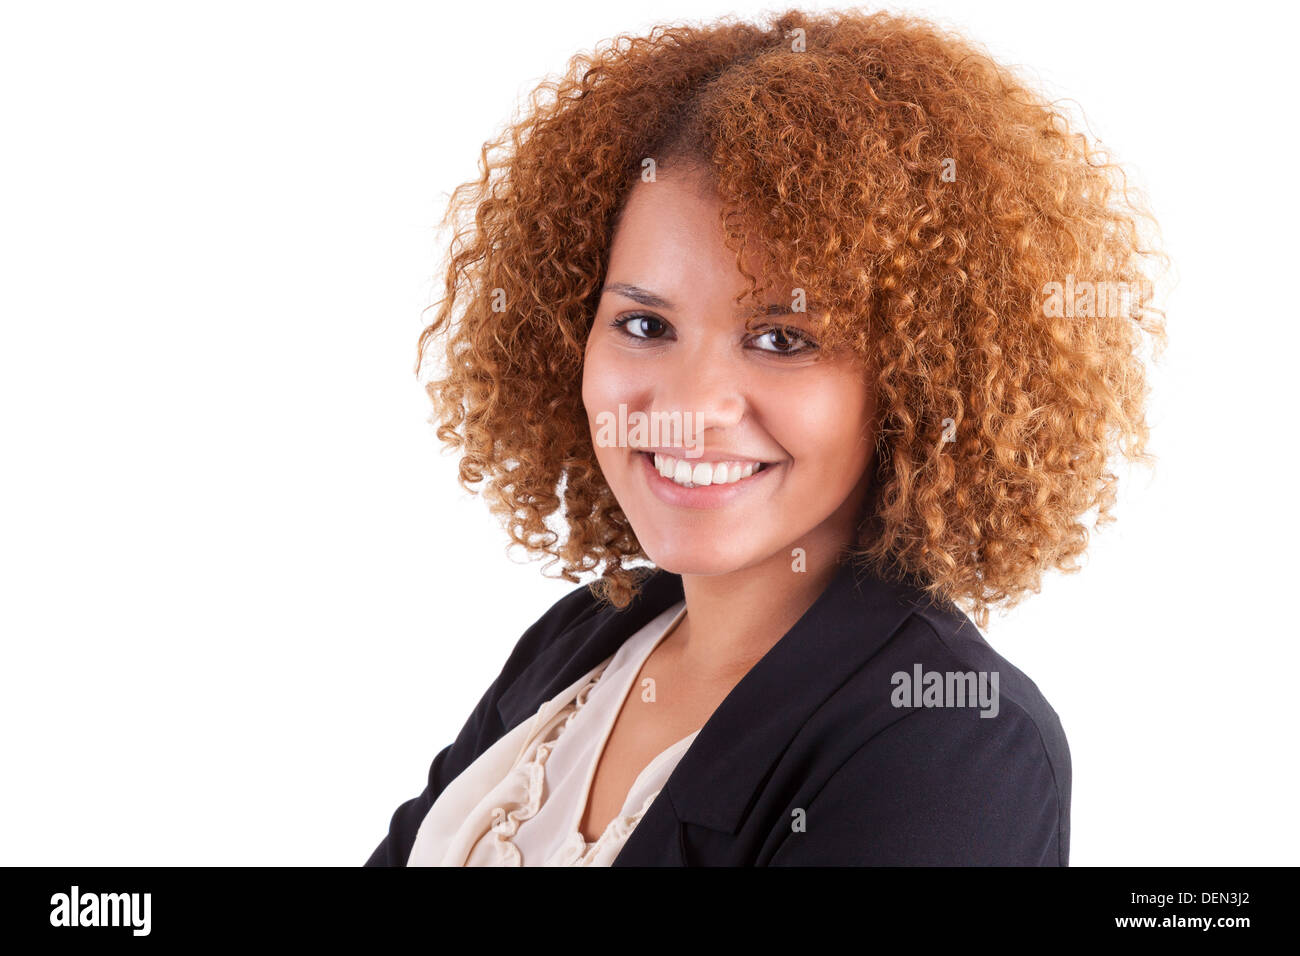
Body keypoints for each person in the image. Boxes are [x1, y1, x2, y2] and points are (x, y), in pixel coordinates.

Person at [364, 6, 1165, 866]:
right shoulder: (581, 642)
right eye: (643, 324)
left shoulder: (953, 742)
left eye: (784, 338)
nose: (692, 405)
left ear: (914, 380)